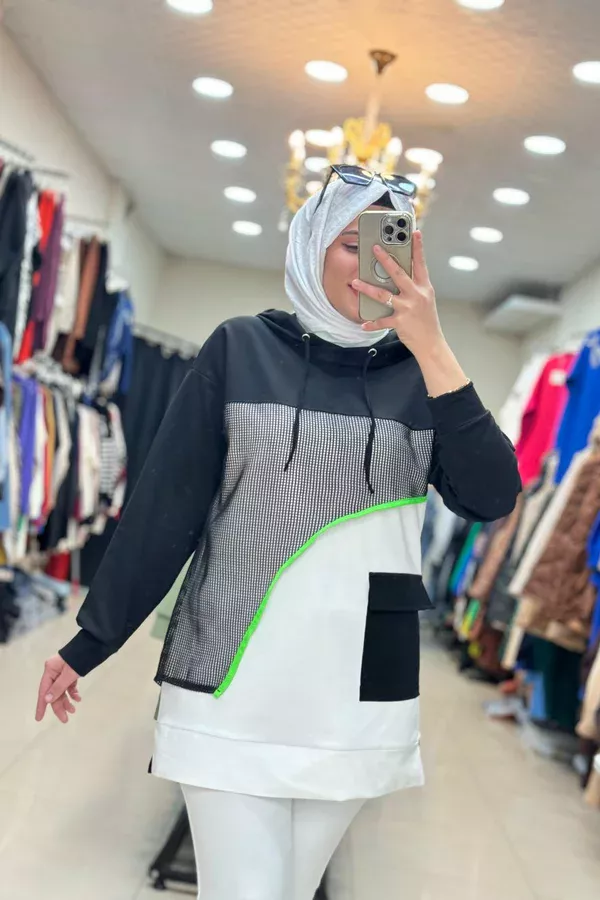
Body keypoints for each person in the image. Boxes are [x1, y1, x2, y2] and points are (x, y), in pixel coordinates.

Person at [35, 173, 521, 900]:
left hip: (359, 693)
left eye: (390, 246)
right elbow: (167, 507)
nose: (372, 264)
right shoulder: (241, 348)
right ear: (310, 247)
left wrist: (433, 346)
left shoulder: (425, 377)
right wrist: (91, 641)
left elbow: (492, 496)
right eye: (351, 243)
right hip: (232, 674)